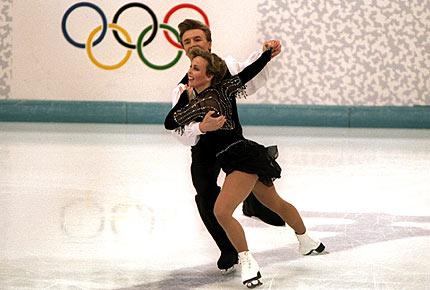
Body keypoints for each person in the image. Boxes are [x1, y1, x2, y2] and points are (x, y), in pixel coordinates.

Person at [165, 47, 325, 288]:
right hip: (236, 159)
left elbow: (249, 73)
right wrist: (188, 105)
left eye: (195, 68)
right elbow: (169, 122)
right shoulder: (195, 105)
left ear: (210, 75)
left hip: (242, 156)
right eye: (190, 67)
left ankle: (247, 261)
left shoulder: (224, 88)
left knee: (221, 211)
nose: (189, 72)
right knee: (275, 203)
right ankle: (307, 240)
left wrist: (266, 55)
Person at [170, 19, 286, 274]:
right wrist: (202, 128)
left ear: (209, 43)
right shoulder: (182, 88)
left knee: (249, 165)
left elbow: (249, 72)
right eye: (187, 41)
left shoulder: (227, 69)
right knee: (204, 191)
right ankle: (227, 248)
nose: (192, 45)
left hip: (232, 141)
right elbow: (176, 128)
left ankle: (256, 201)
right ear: (182, 47)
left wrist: (266, 51)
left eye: (197, 39)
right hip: (204, 148)